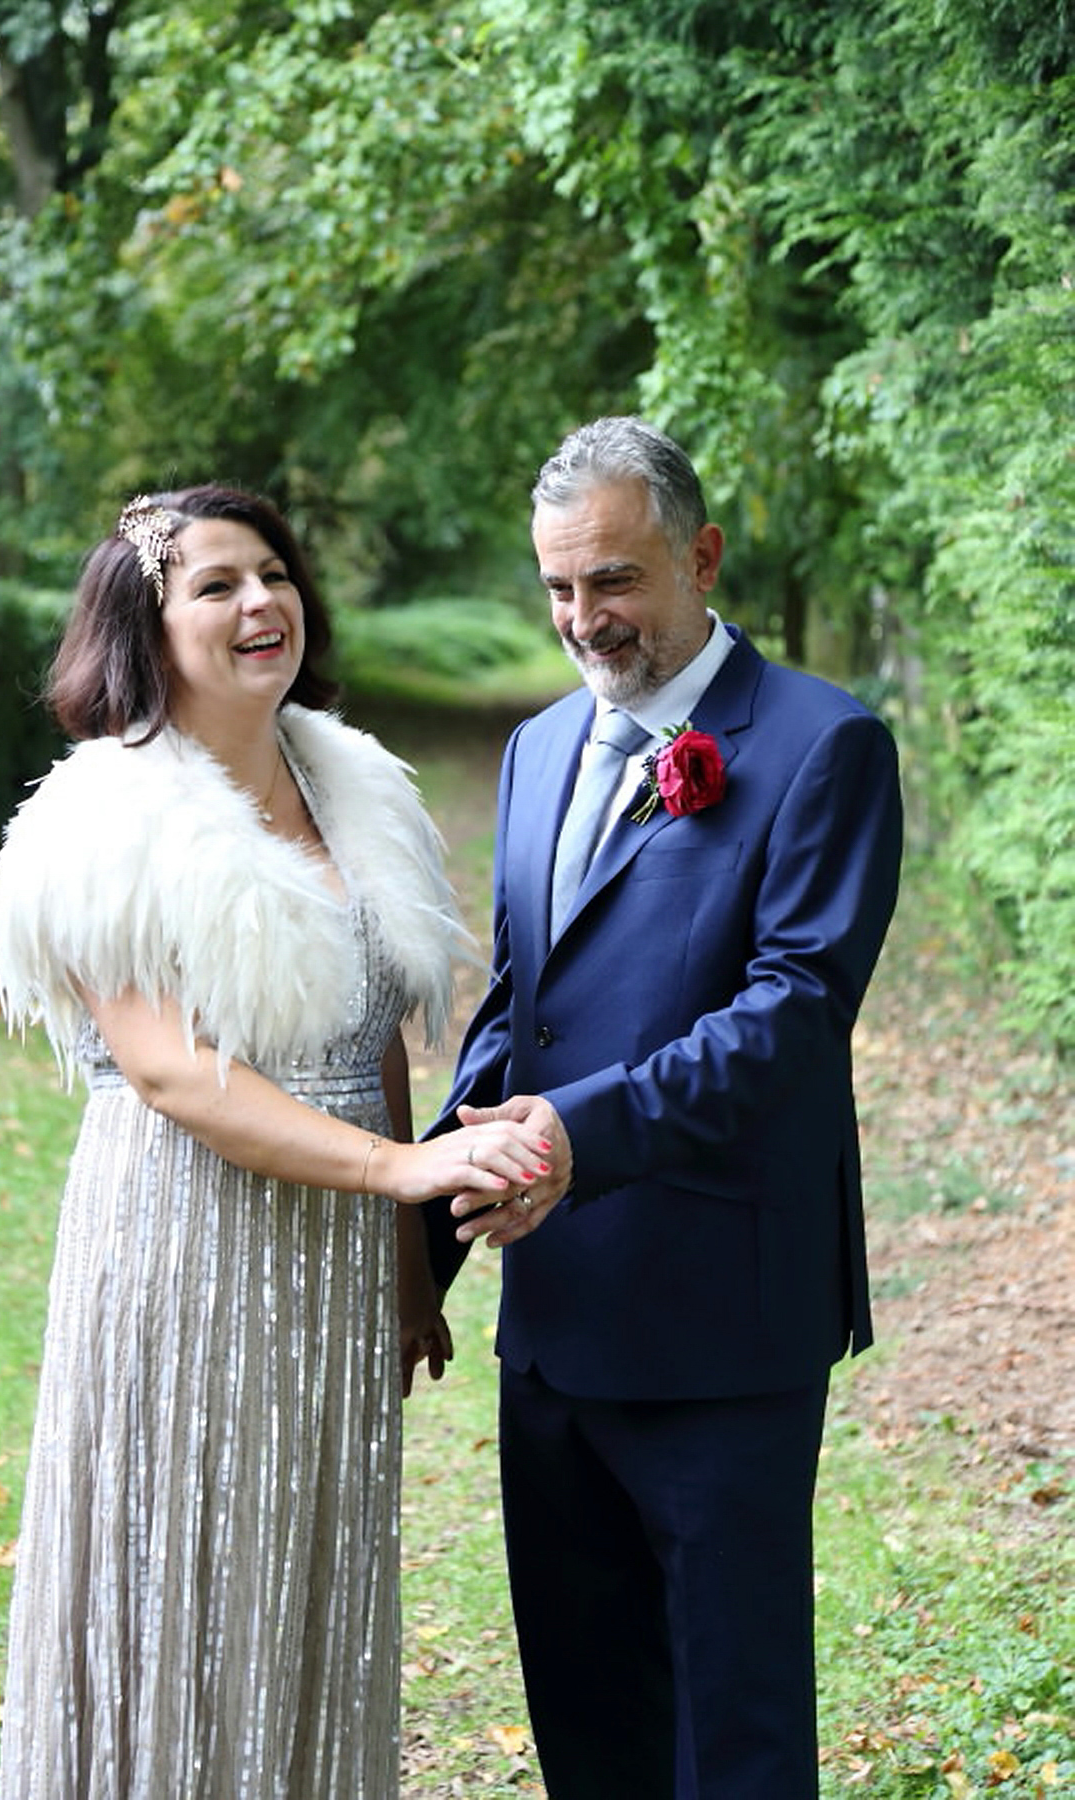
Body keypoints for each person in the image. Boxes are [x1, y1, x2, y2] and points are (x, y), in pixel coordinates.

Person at [0, 484, 549, 1799]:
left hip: (334, 1266)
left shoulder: (353, 787)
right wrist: (411, 1171)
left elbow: (380, 1033)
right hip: (179, 1246)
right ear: (144, 624)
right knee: (182, 1570)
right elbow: (171, 1070)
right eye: (216, 585)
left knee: (310, 1578)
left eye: (272, 573)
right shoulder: (102, 814)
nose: (260, 602)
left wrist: (406, 1261)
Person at [423, 417, 903, 1799]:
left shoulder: (824, 745)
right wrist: (433, 1214)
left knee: (732, 1729)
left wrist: (580, 1135)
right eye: (560, 588)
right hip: (555, 1324)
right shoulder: (533, 750)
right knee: (589, 1714)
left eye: (616, 581)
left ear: (699, 557)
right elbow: (525, 1001)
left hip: (722, 1323)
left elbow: (794, 1017)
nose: (586, 619)